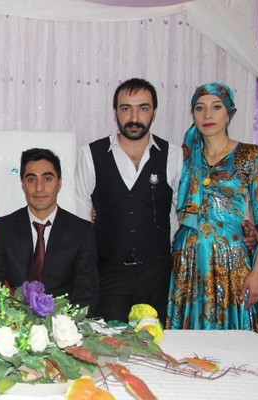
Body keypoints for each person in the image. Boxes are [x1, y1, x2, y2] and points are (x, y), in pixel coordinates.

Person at [166, 82, 258, 343]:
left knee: (237, 346)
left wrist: (257, 274)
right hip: (188, 262)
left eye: (216, 107)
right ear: (193, 114)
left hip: (233, 263)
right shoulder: (180, 158)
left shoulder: (250, 155)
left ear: (229, 113)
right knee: (189, 349)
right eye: (200, 108)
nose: (208, 115)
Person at [76, 78, 183, 323]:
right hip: (109, 273)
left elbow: (183, 214)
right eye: (126, 108)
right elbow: (81, 216)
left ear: (154, 112)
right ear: (115, 112)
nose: (134, 117)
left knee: (158, 341)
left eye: (143, 108)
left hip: (158, 274)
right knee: (109, 341)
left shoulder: (174, 155)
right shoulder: (90, 154)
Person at [0, 148, 98, 313]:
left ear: (59, 183)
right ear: (23, 184)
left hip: (64, 321)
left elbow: (87, 293)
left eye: (47, 178)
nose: (39, 187)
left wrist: (65, 324)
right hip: (14, 321)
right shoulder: (3, 228)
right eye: (31, 179)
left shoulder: (81, 231)